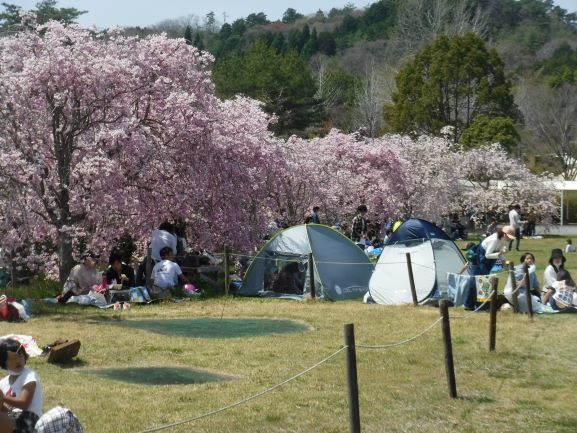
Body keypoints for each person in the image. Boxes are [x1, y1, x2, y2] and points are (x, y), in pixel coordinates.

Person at [465, 226, 515, 310]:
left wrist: (505, 266)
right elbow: (487, 255)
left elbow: (501, 254)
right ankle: (476, 306)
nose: (510, 239)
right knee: (479, 281)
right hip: (481, 258)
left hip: (491, 259)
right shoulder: (494, 240)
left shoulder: (506, 240)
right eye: (509, 237)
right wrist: (499, 254)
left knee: (484, 281)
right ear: (504, 234)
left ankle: (479, 305)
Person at [0, 339, 43, 433]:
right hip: (10, 418)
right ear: (4, 362)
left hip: (30, 420)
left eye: (20, 356)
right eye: (13, 358)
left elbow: (24, 403)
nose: (18, 361)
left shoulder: (29, 376)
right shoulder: (3, 383)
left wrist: (3, 398)